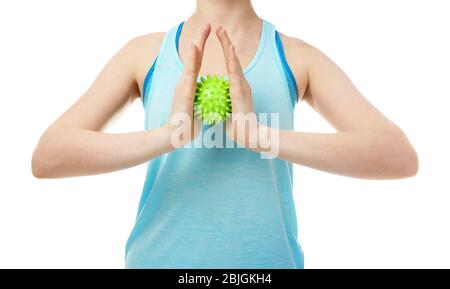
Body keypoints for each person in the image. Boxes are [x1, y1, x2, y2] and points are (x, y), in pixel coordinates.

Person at [31, 0, 418, 269]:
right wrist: (169, 137)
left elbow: (398, 155)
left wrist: (261, 136)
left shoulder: (299, 58)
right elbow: (49, 156)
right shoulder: (142, 54)